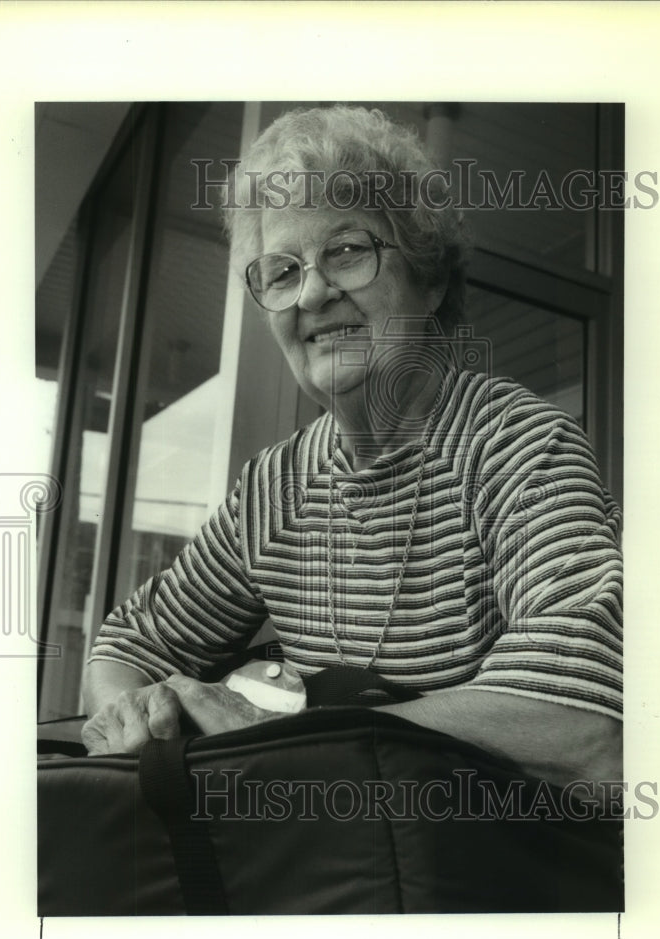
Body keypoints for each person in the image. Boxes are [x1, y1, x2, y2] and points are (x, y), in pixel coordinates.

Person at [81, 106, 622, 795]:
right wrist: (133, 716)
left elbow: (589, 727)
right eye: (280, 270)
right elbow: (127, 647)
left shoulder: (515, 447)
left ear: (430, 281)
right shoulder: (274, 488)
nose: (311, 292)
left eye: (346, 251)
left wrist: (288, 742)